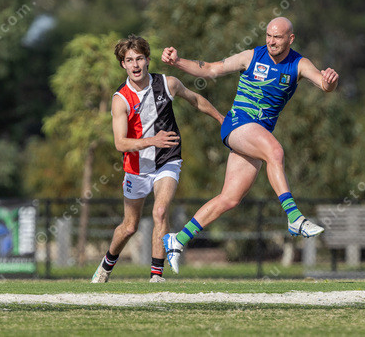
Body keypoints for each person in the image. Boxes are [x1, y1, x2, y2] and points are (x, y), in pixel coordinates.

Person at [161, 17, 339, 273]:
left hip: (256, 133)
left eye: (277, 37)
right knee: (275, 151)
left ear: (291, 39)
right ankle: (294, 217)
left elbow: (324, 84)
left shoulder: (299, 64)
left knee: (229, 199)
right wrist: (177, 61)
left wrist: (330, 81)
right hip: (238, 123)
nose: (271, 41)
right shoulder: (251, 56)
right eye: (268, 35)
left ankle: (177, 239)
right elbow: (210, 69)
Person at [91, 34, 224, 283]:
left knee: (160, 211)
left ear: (148, 60)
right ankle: (106, 265)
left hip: (168, 159)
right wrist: (152, 140)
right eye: (129, 60)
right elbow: (120, 143)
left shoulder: (168, 83)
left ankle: (156, 275)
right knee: (129, 227)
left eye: (139, 58)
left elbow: (195, 99)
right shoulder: (120, 99)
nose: (135, 65)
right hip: (136, 168)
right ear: (123, 64)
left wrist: (221, 119)